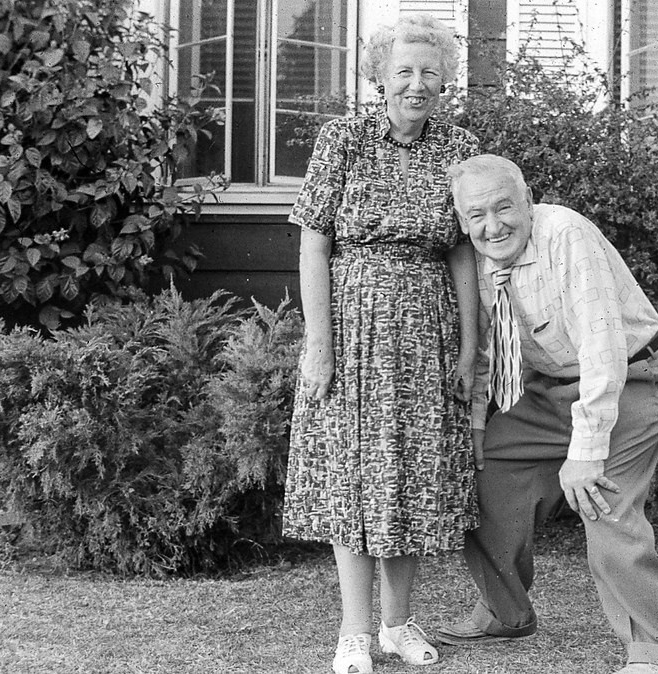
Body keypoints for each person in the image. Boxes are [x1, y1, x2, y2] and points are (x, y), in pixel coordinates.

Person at [436, 154, 658, 674]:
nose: (493, 226)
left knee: (601, 498)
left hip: (640, 379)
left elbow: (603, 348)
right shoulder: (478, 258)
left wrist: (585, 452)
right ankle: (505, 613)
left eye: (504, 207)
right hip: (555, 388)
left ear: (528, 200)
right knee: (482, 468)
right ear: (462, 220)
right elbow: (490, 349)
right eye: (477, 216)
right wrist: (479, 426)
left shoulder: (566, 235)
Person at [282, 14, 480, 674]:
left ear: (445, 79)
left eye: (430, 72)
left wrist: (470, 346)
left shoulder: (460, 148)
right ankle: (353, 633)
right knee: (352, 476)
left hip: (426, 332)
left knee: (413, 476)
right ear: (378, 77)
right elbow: (314, 239)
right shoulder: (343, 138)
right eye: (404, 71)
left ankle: (398, 625)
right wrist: (319, 344)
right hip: (350, 324)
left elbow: (462, 256)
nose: (417, 84)